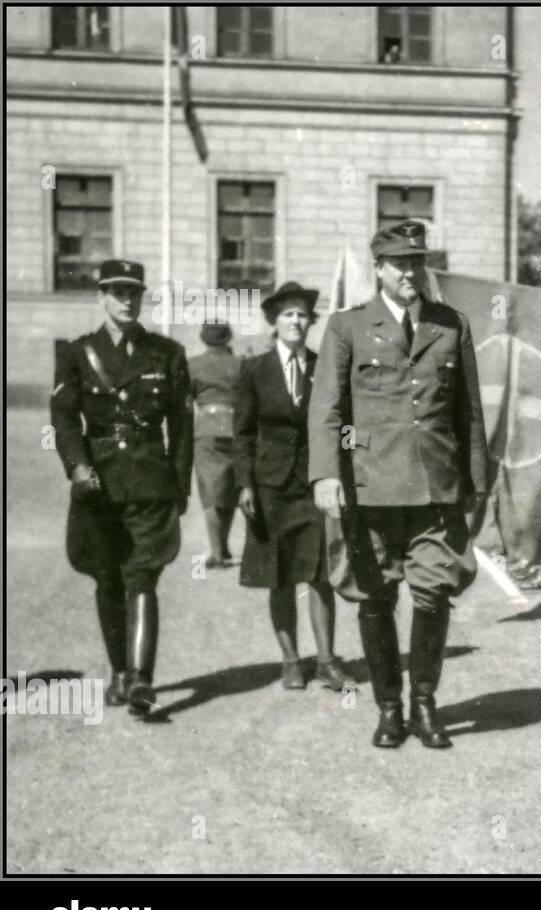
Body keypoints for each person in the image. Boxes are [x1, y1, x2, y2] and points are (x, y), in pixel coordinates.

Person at [309, 220, 488, 749]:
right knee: (375, 597)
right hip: (370, 488)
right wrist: (324, 473)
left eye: (416, 262)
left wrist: (476, 480)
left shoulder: (450, 324)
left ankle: (425, 703)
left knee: (433, 594)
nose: (409, 272)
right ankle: (389, 708)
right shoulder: (347, 327)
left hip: (435, 487)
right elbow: (327, 408)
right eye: (398, 264)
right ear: (379, 269)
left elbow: (468, 411)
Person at [51, 258, 193, 717]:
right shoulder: (77, 353)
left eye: (134, 292)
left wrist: (181, 484)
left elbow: (183, 426)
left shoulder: (167, 353)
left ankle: (141, 680)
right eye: (117, 292)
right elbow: (64, 417)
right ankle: (118, 671)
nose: (127, 301)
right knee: (109, 579)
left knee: (144, 577)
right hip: (100, 483)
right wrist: (76, 465)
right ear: (102, 297)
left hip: (151, 481)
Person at [234, 282, 349, 692]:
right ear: (274, 321)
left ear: (310, 321)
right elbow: (243, 434)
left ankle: (326, 660)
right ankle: (290, 660)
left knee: (320, 575)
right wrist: (244, 484)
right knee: (279, 576)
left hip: (315, 485)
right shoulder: (254, 370)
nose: (296, 321)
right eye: (288, 315)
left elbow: (342, 423)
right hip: (270, 488)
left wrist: (343, 472)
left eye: (302, 314)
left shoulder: (325, 367)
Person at [189, 319, 241, 568]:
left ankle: (216, 551)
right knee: (229, 489)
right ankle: (225, 546)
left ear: (203, 338)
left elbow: (185, 401)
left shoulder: (194, 365)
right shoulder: (241, 364)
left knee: (211, 491)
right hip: (235, 426)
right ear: (228, 337)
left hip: (208, 428)